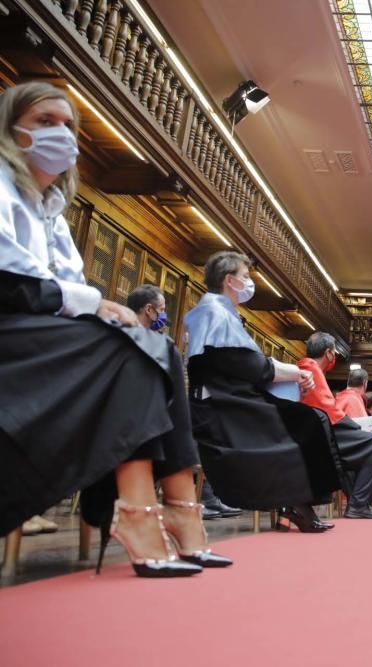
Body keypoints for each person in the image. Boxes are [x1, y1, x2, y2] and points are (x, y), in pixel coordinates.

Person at [0, 81, 228, 576]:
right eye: (44, 122)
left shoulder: (55, 211)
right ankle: (145, 515)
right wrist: (92, 303)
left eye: (68, 126)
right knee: (134, 352)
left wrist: (87, 304)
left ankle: (176, 510)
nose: (60, 134)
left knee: (159, 348)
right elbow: (13, 285)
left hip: (45, 335)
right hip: (12, 337)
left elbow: (66, 286)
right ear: (12, 131)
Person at [184, 251, 340, 531]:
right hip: (218, 408)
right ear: (230, 281)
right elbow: (251, 366)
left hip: (232, 399)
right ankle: (295, 504)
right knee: (303, 422)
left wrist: (290, 376)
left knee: (309, 420)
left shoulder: (224, 312)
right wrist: (295, 373)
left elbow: (247, 366)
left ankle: (298, 504)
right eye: (245, 277)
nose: (248, 283)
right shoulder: (213, 312)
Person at [128, 284, 242, 521]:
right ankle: (194, 500)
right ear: (149, 310)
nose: (164, 315)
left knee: (199, 436)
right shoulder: (133, 337)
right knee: (193, 436)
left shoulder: (162, 341)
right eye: (161, 309)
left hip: (159, 408)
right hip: (138, 413)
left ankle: (203, 498)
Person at [297, 332, 372, 518]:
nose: (335, 355)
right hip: (325, 434)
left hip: (319, 432)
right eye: (334, 351)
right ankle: (358, 504)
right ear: (328, 353)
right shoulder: (311, 369)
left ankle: (361, 501)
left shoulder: (306, 367)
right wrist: (355, 428)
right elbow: (328, 410)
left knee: (371, 446)